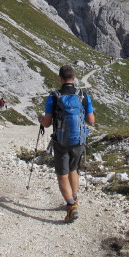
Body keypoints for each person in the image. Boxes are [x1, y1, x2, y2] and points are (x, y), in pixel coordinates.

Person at [39, 65, 95, 223]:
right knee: (73, 169)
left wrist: (40, 121)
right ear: (74, 77)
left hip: (61, 142)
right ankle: (74, 199)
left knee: (62, 174)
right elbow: (91, 121)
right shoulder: (83, 96)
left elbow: (48, 123)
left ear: (60, 78)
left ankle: (71, 207)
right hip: (79, 141)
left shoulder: (54, 97)